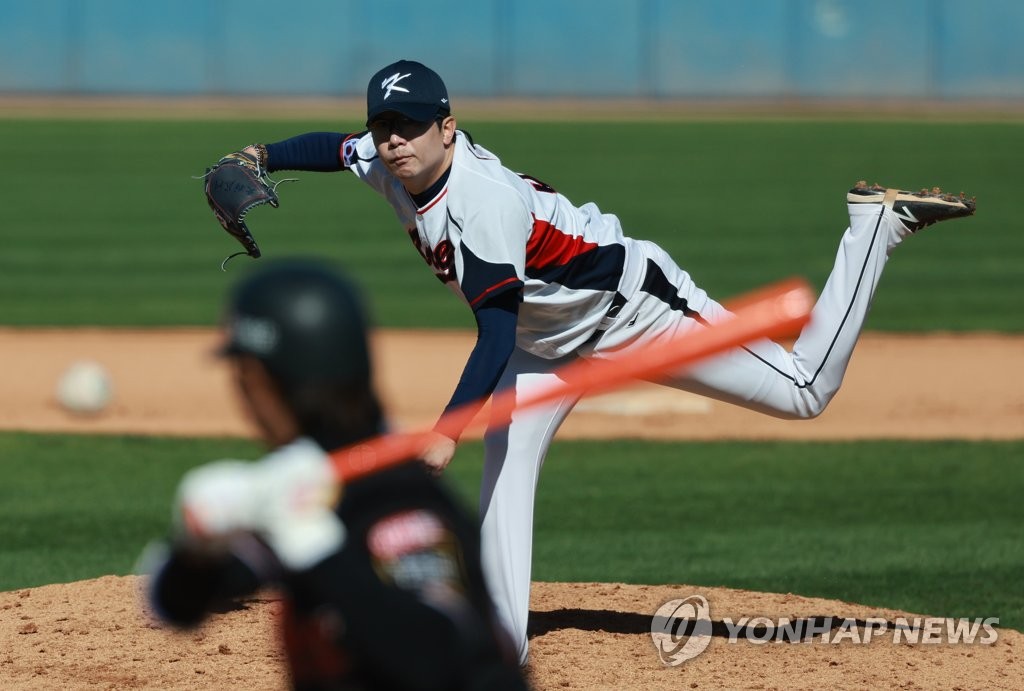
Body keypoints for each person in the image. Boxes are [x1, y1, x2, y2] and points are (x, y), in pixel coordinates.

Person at [217, 59, 976, 664]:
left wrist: (446, 429)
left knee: (805, 390)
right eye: (384, 126)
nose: (392, 141)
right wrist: (262, 154)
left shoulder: (480, 202)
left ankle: (873, 229)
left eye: (410, 126)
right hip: (545, 344)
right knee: (506, 466)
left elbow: (491, 331)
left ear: (448, 127)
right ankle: (498, 644)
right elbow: (331, 148)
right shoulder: (389, 162)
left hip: (636, 311)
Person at [145, 258, 529, 690]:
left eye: (244, 378)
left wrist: (310, 542)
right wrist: (196, 550)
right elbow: (177, 606)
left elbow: (439, 654)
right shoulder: (300, 481)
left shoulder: (399, 502)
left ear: (268, 382)